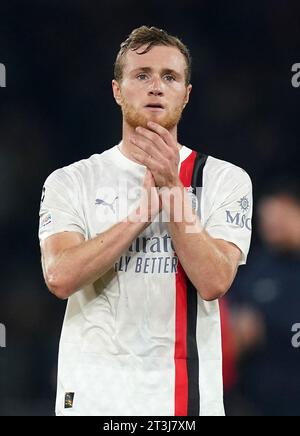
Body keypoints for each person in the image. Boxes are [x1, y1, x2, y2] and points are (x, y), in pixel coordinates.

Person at [38, 26, 252, 416]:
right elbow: (60, 277)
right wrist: (140, 215)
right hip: (93, 399)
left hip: (183, 403)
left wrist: (171, 189)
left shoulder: (224, 179)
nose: (156, 87)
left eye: (169, 77)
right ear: (118, 90)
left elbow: (214, 281)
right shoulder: (71, 180)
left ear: (185, 96)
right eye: (142, 75)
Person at [227, 177, 300, 416]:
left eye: (280, 216)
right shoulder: (256, 268)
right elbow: (235, 327)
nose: (271, 224)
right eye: (265, 219)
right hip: (259, 400)